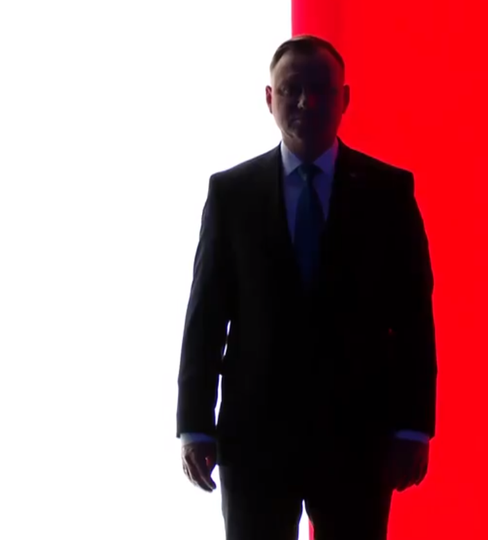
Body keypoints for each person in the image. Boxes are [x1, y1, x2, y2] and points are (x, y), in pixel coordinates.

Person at [176, 34, 437, 540]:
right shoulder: (231, 193)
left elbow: (412, 318)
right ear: (268, 98)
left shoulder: (388, 192)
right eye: (291, 89)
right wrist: (194, 424)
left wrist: (413, 426)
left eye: (321, 90)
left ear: (345, 99)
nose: (305, 102)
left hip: (358, 434)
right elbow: (205, 317)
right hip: (255, 435)